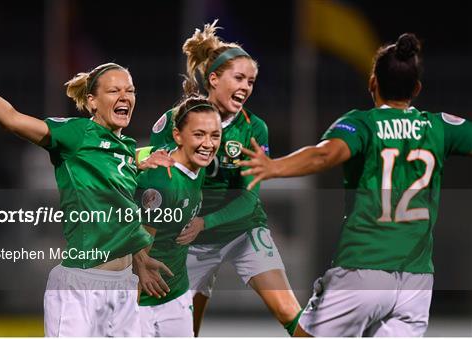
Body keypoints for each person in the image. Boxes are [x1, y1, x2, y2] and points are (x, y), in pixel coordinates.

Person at [240, 33, 472, 336]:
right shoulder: (440, 126)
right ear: (416, 88)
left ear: (372, 82)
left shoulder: (363, 124)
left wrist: (274, 167)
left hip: (363, 269)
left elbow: (326, 154)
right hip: (417, 282)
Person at [0, 47, 173, 337]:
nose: (125, 97)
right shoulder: (77, 134)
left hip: (123, 286)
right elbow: (12, 119)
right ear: (92, 102)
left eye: (130, 90)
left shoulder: (126, 148)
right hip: (80, 285)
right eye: (114, 91)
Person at [150, 21, 302, 336]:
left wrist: (206, 222)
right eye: (239, 78)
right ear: (214, 78)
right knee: (181, 330)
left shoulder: (254, 129)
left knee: (289, 310)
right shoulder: (175, 121)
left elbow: (248, 198)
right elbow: (153, 166)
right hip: (187, 240)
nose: (246, 87)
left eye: (251, 81)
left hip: (240, 231)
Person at [135, 95, 222, 337]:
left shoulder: (197, 164)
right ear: (177, 136)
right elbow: (139, 251)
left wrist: (195, 98)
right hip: (142, 303)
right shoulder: (164, 182)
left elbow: (165, 128)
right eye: (199, 135)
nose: (208, 143)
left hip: (176, 294)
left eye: (215, 135)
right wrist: (128, 307)